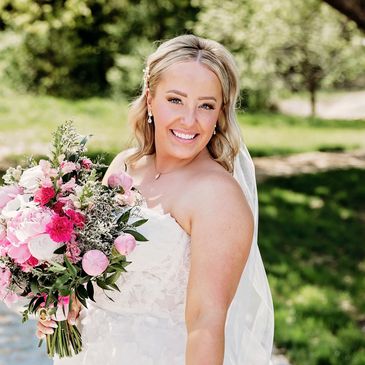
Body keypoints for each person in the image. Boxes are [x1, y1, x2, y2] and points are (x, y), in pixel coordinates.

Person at [37, 34, 274, 364]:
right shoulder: (124, 167)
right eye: (175, 100)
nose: (189, 120)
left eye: (206, 105)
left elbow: (206, 324)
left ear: (220, 113)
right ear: (150, 99)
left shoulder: (217, 196)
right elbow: (96, 276)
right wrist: (66, 303)